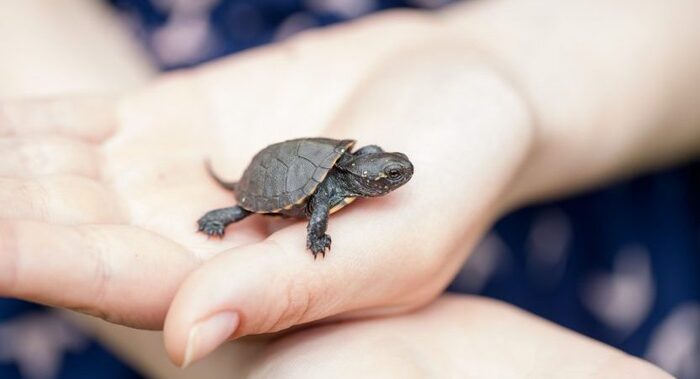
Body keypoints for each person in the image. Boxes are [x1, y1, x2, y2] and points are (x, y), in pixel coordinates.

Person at [0, 0, 698, 377]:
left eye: (390, 174)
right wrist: (304, 246)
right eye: (386, 176)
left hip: (613, 218)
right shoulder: (331, 190)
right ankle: (219, 214)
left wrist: (507, 68)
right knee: (243, 205)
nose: (392, 179)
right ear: (363, 173)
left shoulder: (360, 166)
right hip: (253, 171)